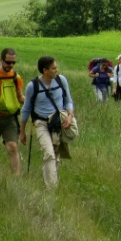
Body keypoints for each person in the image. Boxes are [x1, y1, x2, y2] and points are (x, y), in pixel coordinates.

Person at [20, 56, 74, 189]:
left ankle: (50, 181)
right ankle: (52, 188)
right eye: (53, 68)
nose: (57, 70)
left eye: (56, 67)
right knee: (49, 153)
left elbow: (68, 100)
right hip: (41, 123)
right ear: (45, 70)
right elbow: (26, 108)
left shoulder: (61, 80)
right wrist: (22, 131)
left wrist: (69, 115)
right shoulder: (33, 86)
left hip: (58, 123)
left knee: (55, 155)